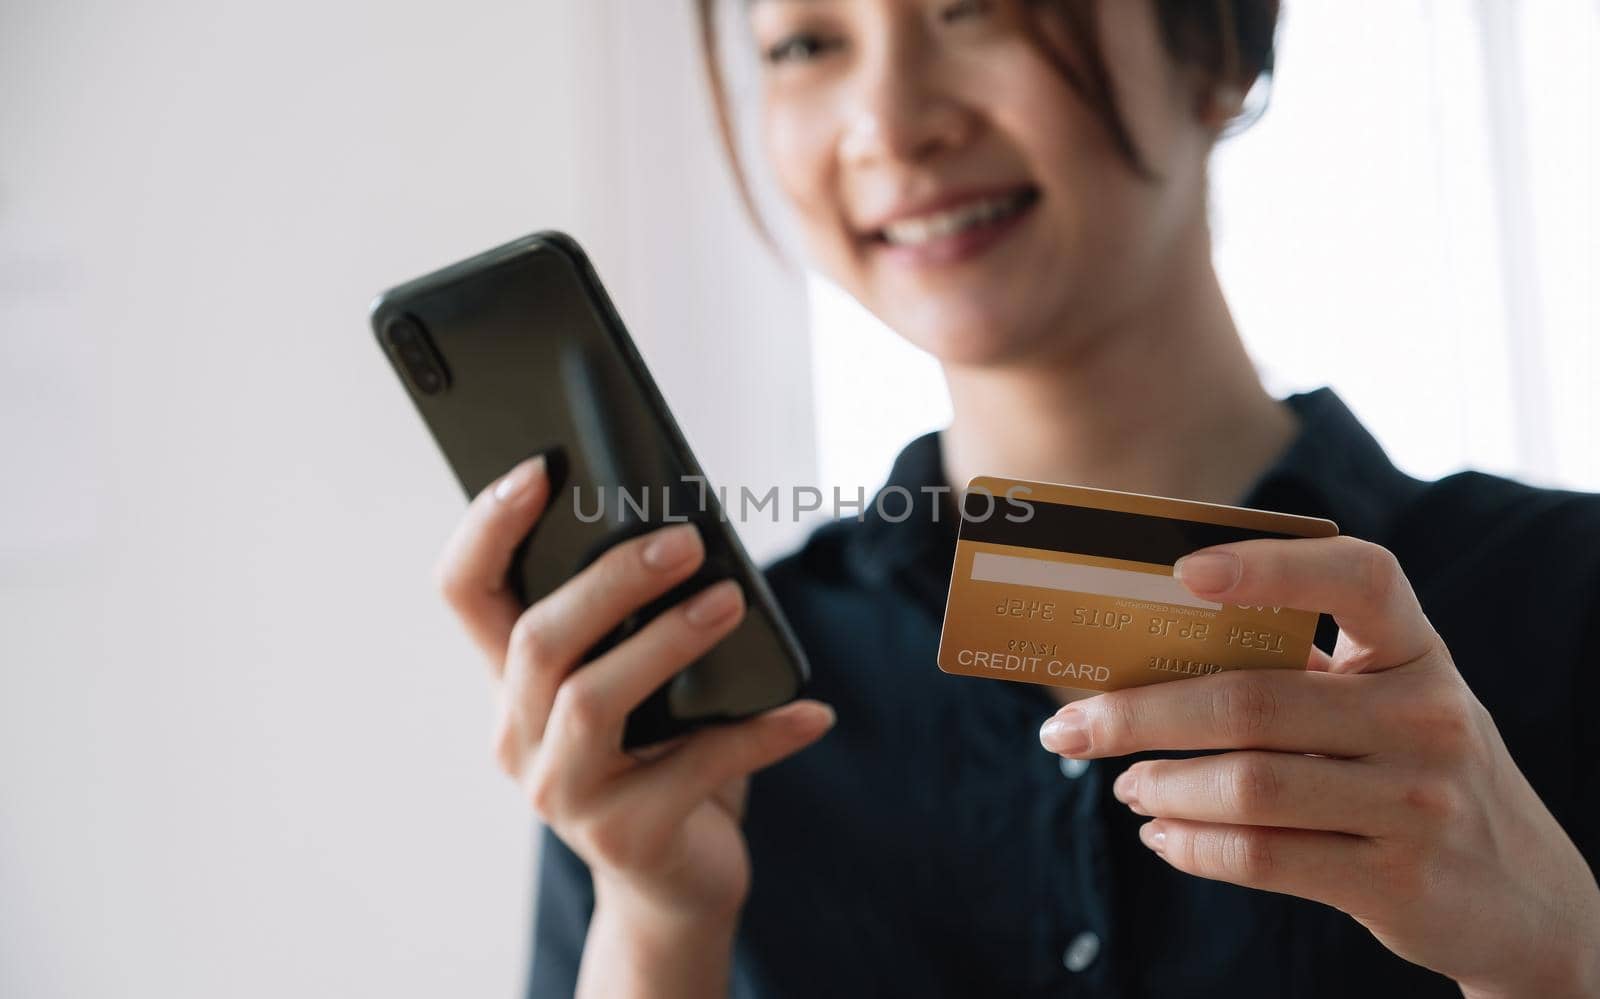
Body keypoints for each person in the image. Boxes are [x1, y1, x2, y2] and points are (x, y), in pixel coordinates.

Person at [434, 1, 1600, 995]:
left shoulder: (1565, 602)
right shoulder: (691, 716)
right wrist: (655, 927)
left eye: (977, 7)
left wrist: (1554, 953)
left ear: (1218, 44)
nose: (889, 125)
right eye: (802, 45)